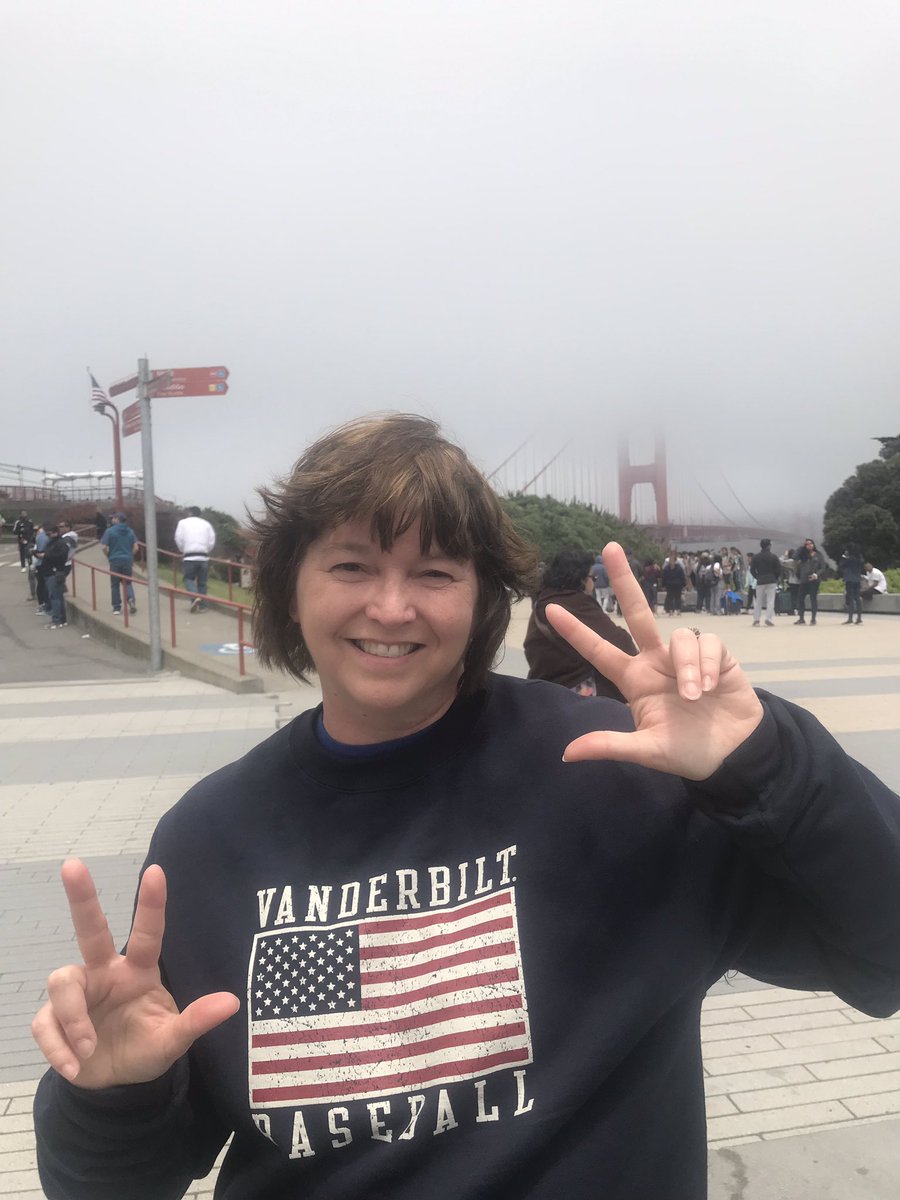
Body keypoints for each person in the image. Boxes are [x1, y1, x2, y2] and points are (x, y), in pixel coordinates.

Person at [31, 414, 900, 1200]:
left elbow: (884, 955)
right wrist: (112, 1096)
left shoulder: (622, 781)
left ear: (484, 598)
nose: (391, 606)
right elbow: (117, 1184)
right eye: (351, 565)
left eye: (434, 571)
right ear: (288, 586)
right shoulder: (211, 837)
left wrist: (766, 761)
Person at [524, 548, 637, 699]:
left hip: (546, 691)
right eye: (593, 578)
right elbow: (619, 642)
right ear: (582, 579)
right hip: (576, 692)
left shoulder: (543, 600)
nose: (593, 582)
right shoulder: (576, 603)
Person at [175, 505, 216, 613]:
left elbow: (178, 538)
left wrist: (182, 549)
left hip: (189, 556)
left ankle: (195, 597)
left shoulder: (182, 523)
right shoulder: (206, 524)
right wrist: (207, 550)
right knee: (202, 582)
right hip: (203, 556)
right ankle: (202, 606)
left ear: (190, 513)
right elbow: (211, 540)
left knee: (188, 579)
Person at [100, 512, 137, 615]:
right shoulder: (130, 531)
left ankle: (116, 607)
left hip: (115, 560)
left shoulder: (110, 531)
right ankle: (130, 599)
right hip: (127, 560)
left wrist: (108, 555)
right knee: (128, 582)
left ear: (117, 519)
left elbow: (104, 547)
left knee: (115, 584)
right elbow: (136, 547)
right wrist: (130, 555)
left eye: (114, 518)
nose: (112, 520)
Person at [39, 526, 70, 629]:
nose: (48, 536)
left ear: (55, 533)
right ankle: (62, 619)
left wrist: (46, 556)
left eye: (49, 534)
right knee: (58, 597)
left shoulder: (60, 544)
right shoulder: (52, 543)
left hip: (55, 572)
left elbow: (61, 557)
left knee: (55, 597)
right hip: (51, 572)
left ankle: (57, 620)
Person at [794, 537, 827, 626]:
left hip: (814, 580)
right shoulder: (802, 554)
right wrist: (801, 548)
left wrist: (816, 575)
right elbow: (794, 557)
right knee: (800, 599)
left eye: (811, 543)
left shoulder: (818, 555)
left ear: (813, 544)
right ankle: (801, 618)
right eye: (807, 544)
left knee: (813, 599)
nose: (809, 545)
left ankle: (813, 619)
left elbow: (823, 567)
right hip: (804, 580)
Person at [750, 538, 781, 627]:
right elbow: (778, 569)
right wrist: (775, 577)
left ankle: (756, 620)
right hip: (771, 580)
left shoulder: (756, 557)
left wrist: (757, 577)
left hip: (760, 580)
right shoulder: (774, 556)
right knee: (770, 600)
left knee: (758, 600)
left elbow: (752, 570)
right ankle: (768, 619)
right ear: (769, 546)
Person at [839, 544, 866, 625]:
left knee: (850, 599)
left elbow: (841, 565)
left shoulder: (848, 558)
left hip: (849, 579)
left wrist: (844, 556)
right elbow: (862, 564)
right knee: (857, 598)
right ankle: (859, 618)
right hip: (857, 579)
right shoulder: (860, 558)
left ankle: (850, 618)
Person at [660, 550, 686, 615]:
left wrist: (683, 584)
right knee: (671, 598)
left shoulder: (677, 568)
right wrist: (663, 585)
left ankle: (677, 610)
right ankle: (672, 610)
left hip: (675, 584)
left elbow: (682, 576)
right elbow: (664, 577)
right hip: (672, 585)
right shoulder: (668, 568)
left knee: (676, 597)